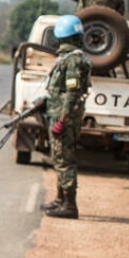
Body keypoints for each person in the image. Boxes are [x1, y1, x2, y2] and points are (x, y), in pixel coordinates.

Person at [40, 14, 91, 219]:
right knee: (59, 158)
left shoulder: (73, 61)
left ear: (62, 37)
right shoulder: (71, 59)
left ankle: (70, 205)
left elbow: (72, 93)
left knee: (65, 160)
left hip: (64, 117)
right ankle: (61, 199)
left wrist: (62, 120)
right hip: (60, 114)